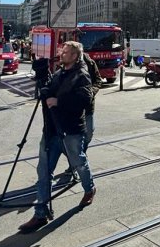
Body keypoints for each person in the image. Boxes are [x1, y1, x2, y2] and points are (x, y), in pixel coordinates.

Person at [19, 41, 96, 233]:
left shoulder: (81, 75)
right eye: (62, 51)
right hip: (52, 130)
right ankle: (40, 214)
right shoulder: (59, 73)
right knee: (44, 172)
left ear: (75, 57)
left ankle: (89, 188)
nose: (62, 54)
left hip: (71, 131)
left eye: (67, 52)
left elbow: (85, 100)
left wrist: (59, 101)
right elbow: (49, 93)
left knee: (79, 163)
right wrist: (43, 82)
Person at [57, 51, 103, 184]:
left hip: (88, 107)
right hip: (74, 109)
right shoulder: (65, 66)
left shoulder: (89, 62)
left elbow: (98, 80)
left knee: (88, 134)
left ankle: (77, 159)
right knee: (73, 140)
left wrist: (91, 92)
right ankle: (76, 162)